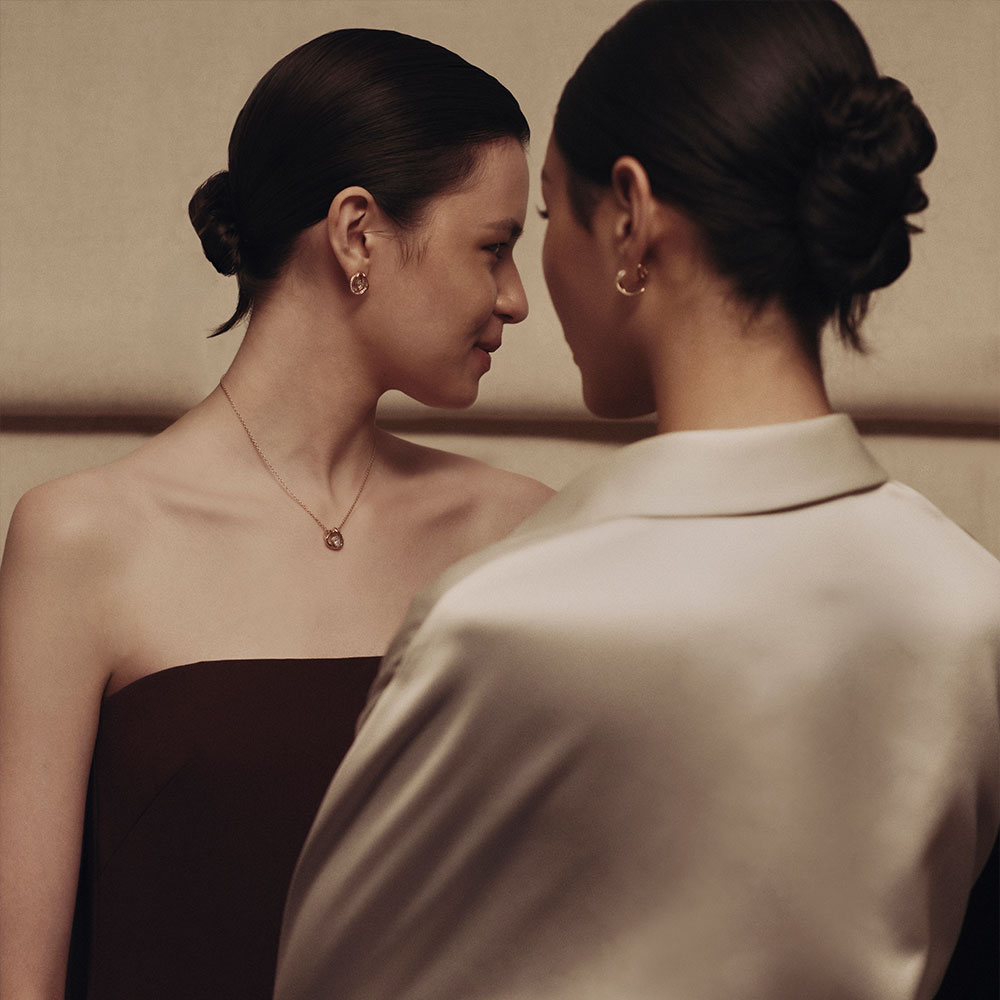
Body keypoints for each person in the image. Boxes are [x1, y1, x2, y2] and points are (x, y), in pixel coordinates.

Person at [275, 3, 1000, 999]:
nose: (525, 290)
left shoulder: (509, 623)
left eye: (545, 221)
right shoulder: (974, 606)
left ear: (629, 216)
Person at [0, 27, 553, 1000]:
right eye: (493, 249)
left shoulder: (519, 531)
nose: (514, 300)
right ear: (357, 233)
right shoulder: (81, 540)